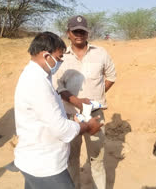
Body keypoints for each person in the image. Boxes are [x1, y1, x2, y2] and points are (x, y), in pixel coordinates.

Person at [14, 31, 103, 189]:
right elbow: (61, 129)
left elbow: (49, 116)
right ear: (46, 56)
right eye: (59, 57)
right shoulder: (37, 82)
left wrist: (73, 121)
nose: (61, 61)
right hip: (44, 166)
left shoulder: (38, 75)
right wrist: (87, 126)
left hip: (36, 160)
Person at [54, 15, 116, 189]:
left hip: (95, 116)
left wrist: (97, 96)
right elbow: (57, 86)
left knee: (97, 159)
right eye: (75, 31)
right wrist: (77, 101)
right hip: (70, 116)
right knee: (72, 159)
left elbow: (111, 76)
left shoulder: (101, 53)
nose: (79, 34)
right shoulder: (61, 56)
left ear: (87, 33)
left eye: (82, 31)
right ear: (69, 33)